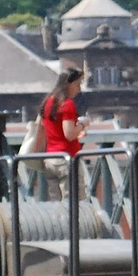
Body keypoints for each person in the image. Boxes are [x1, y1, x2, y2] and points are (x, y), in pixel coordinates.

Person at [41, 68, 87, 201]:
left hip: (50, 158)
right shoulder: (67, 104)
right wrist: (83, 124)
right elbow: (69, 134)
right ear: (68, 83)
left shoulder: (48, 102)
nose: (79, 89)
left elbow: (43, 128)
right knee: (74, 204)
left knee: (57, 206)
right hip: (67, 159)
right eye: (77, 85)